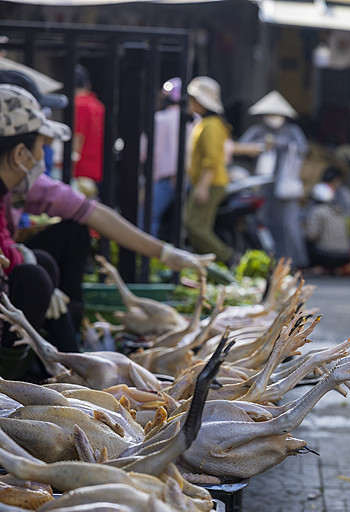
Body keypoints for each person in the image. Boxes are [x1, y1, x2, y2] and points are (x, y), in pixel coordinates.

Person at [0, 84, 214, 379]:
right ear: (19, 153)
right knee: (35, 275)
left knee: (54, 252)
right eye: (41, 145)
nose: (44, 155)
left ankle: (67, 363)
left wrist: (165, 253)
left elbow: (93, 213)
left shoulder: (15, 186)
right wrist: (21, 262)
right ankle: (18, 377)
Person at [235, 90, 309, 269]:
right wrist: (259, 147)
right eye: (270, 115)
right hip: (262, 186)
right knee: (261, 221)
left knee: (287, 224)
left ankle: (293, 261)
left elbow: (302, 149)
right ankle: (268, 260)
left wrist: (281, 144)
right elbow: (242, 148)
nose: (273, 118)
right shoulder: (257, 131)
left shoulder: (293, 132)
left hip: (284, 188)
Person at [184, 76, 234, 267]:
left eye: (192, 99)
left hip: (211, 183)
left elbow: (211, 160)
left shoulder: (212, 125)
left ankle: (227, 258)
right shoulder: (205, 123)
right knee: (197, 228)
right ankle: (204, 269)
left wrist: (203, 187)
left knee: (193, 225)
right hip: (206, 181)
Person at [146, 77, 183, 239]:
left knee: (147, 218)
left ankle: (146, 257)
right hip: (188, 179)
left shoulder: (159, 119)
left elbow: (146, 150)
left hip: (165, 179)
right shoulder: (194, 120)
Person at [303, 182, 350, 274]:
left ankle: (314, 267)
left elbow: (311, 235)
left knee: (306, 241)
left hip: (325, 254)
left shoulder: (317, 211)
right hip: (345, 255)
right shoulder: (339, 210)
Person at [72, 64, 105, 198]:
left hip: (79, 169)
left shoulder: (79, 104)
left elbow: (78, 136)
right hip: (95, 168)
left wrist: (70, 164)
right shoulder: (98, 105)